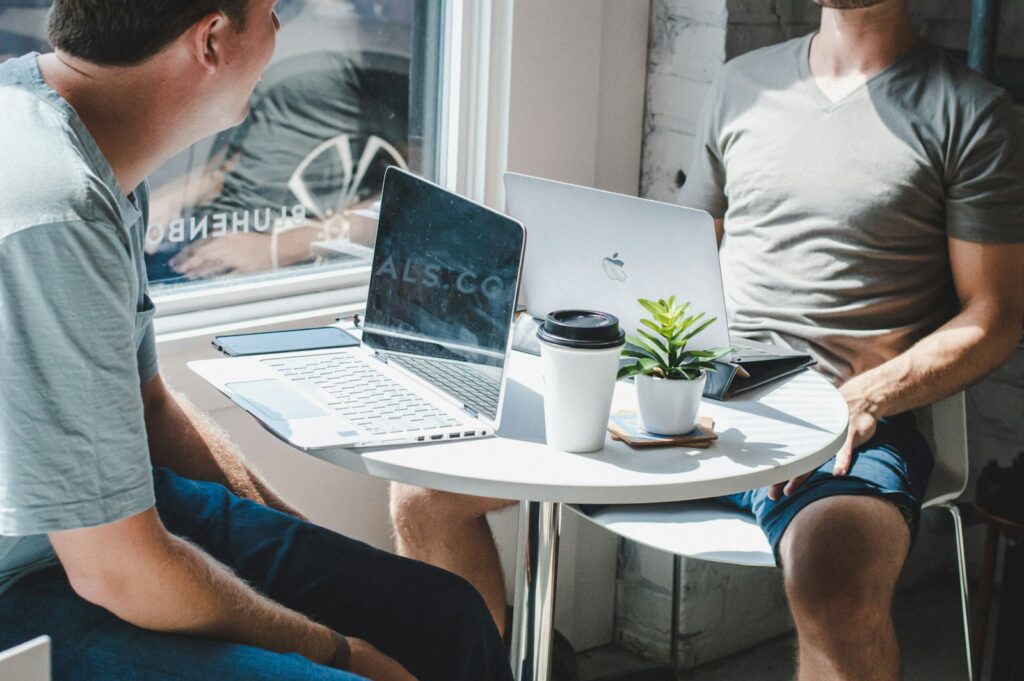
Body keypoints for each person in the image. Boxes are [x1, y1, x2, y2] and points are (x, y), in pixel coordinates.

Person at [389, 1, 1024, 679]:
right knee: (423, 493)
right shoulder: (742, 83)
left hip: (843, 423)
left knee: (832, 574)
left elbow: (996, 314)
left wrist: (866, 395)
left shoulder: (971, 112)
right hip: (693, 393)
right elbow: (679, 253)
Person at [0, 2, 512, 680]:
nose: (280, 32)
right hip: (32, 583)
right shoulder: (54, 208)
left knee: (441, 611)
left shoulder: (97, 149)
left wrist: (309, 551)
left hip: (107, 525)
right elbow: (116, 569)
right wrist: (339, 648)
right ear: (211, 40)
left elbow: (150, 409)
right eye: (271, 12)